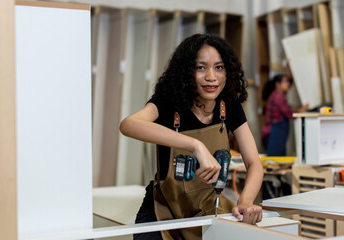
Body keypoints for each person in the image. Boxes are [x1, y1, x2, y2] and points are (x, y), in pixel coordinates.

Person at [120, 33, 263, 240]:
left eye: (219, 67)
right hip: (164, 208)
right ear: (186, 72)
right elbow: (128, 125)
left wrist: (246, 201)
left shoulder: (229, 106)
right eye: (201, 67)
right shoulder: (169, 102)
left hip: (209, 205)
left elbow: (254, 163)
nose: (211, 77)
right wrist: (196, 146)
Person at [261, 74, 308, 156]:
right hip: (274, 132)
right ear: (278, 84)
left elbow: (291, 82)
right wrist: (302, 109)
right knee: (275, 160)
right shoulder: (278, 97)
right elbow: (290, 115)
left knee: (279, 158)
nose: (288, 84)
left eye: (288, 81)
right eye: (285, 81)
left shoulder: (278, 95)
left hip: (275, 132)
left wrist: (289, 69)